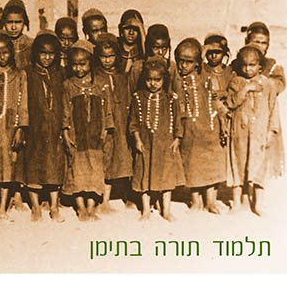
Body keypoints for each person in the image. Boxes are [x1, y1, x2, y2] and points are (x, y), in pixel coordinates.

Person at [61, 41, 114, 221]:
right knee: (77, 170)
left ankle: (91, 208)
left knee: (95, 171)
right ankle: (81, 208)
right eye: (74, 64)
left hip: (96, 137)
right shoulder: (68, 85)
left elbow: (108, 109)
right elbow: (65, 111)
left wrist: (106, 130)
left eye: (83, 64)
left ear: (91, 62)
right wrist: (66, 132)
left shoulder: (101, 84)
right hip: (77, 136)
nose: (79, 69)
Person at [173, 38, 226, 214]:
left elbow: (216, 102)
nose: (183, 65)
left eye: (189, 62)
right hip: (189, 131)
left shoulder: (206, 79)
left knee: (211, 164)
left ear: (197, 63)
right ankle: (196, 201)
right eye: (180, 61)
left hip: (209, 128)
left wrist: (222, 122)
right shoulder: (176, 81)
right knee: (192, 165)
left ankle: (211, 201)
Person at [129, 57, 185, 221]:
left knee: (167, 175)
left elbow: (177, 121)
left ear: (164, 80)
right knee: (144, 175)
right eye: (149, 80)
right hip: (146, 144)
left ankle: (166, 210)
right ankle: (146, 210)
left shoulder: (171, 99)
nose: (153, 84)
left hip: (166, 144)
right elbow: (133, 122)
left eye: (157, 80)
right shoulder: (138, 98)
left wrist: (177, 139)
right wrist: (137, 139)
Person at [227, 45, 280, 215]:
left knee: (260, 167)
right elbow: (231, 103)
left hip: (260, 134)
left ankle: (258, 204)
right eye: (244, 65)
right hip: (240, 133)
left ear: (260, 66)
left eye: (252, 65)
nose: (248, 69)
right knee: (238, 164)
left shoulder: (268, 85)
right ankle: (236, 203)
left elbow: (273, 109)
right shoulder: (236, 82)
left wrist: (271, 132)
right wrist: (246, 88)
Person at [21, 31, 66, 222]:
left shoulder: (61, 73)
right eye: (43, 53)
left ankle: (54, 206)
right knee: (33, 165)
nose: (47, 57)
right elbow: (22, 102)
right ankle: (36, 207)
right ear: (35, 54)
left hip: (55, 127)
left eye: (51, 53)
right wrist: (23, 127)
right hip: (34, 128)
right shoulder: (27, 73)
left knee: (55, 164)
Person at [0, 31, 28, 221]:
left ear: (12, 52)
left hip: (10, 125)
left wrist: (20, 128)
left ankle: (3, 205)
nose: (2, 57)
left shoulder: (19, 75)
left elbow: (23, 103)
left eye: (5, 52)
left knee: (8, 164)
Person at [94, 33, 132, 213]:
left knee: (123, 158)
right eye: (103, 56)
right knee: (106, 160)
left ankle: (125, 195)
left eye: (111, 56)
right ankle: (104, 200)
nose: (107, 60)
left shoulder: (122, 76)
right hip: (105, 126)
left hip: (122, 124)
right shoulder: (96, 77)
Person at [242, 22, 285, 178]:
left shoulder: (272, 65)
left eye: (264, 42)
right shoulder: (242, 64)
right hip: (244, 115)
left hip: (264, 115)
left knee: (263, 157)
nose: (260, 46)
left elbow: (280, 83)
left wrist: (263, 83)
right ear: (247, 41)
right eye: (256, 41)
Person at [0, 0, 33, 71]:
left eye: (18, 22)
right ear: (4, 22)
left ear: (25, 22)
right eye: (9, 22)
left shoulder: (31, 44)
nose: (14, 27)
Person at [117, 9, 145, 75]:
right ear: (121, 29)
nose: (131, 33)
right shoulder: (115, 46)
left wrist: (141, 28)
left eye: (135, 29)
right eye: (127, 28)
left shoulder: (141, 49)